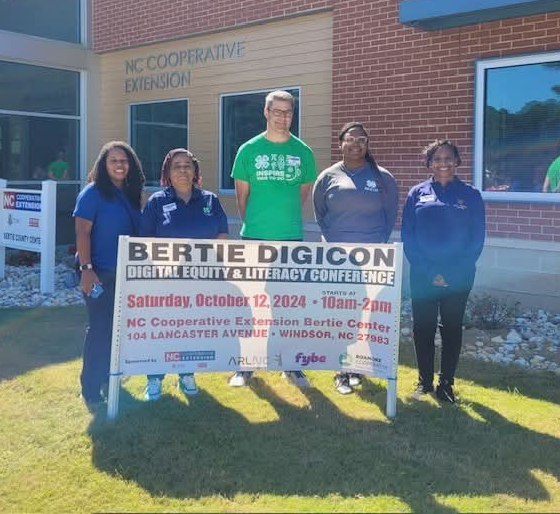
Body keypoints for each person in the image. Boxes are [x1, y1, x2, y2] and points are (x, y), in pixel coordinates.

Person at [229, 89, 317, 387]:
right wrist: (257, 225)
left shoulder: (303, 152)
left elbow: (302, 195)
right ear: (265, 113)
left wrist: (281, 223)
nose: (282, 117)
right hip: (253, 239)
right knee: (251, 305)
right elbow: (243, 199)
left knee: (288, 306)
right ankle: (246, 365)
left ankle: (290, 364)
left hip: (291, 241)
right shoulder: (248, 150)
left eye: (288, 112)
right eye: (276, 111)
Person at [313, 122, 399, 395]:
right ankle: (342, 370)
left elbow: (390, 217)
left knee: (369, 313)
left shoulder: (383, 177)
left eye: (361, 140)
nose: (355, 144)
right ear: (340, 143)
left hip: (372, 258)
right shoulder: (328, 176)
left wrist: (374, 248)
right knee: (342, 313)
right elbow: (320, 214)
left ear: (367, 144)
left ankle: (364, 365)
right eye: (350, 139)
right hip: (338, 258)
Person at [401, 140, 485, 404]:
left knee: (451, 328)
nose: (443, 163)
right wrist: (429, 272)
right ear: (429, 164)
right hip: (423, 276)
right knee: (423, 329)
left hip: (458, 276)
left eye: (448, 158)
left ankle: (446, 384)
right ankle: (424, 382)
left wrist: (452, 272)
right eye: (437, 159)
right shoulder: (417, 193)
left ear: (457, 161)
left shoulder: (471, 195)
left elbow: (476, 239)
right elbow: (408, 236)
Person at [141, 148, 228, 400]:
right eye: (176, 166)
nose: (182, 170)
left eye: (187, 165)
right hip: (165, 281)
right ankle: (154, 378)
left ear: (195, 171)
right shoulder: (157, 201)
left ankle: (186, 373)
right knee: (162, 328)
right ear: (168, 172)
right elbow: (145, 241)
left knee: (190, 328)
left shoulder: (210, 200)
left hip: (200, 280)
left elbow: (222, 234)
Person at [73, 141, 145, 407]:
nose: (119, 165)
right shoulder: (92, 193)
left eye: (124, 160)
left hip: (124, 273)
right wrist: (86, 270)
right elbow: (82, 232)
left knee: (117, 330)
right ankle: (90, 389)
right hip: (99, 272)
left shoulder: (131, 193)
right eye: (113, 160)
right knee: (100, 329)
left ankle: (108, 379)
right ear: (103, 164)